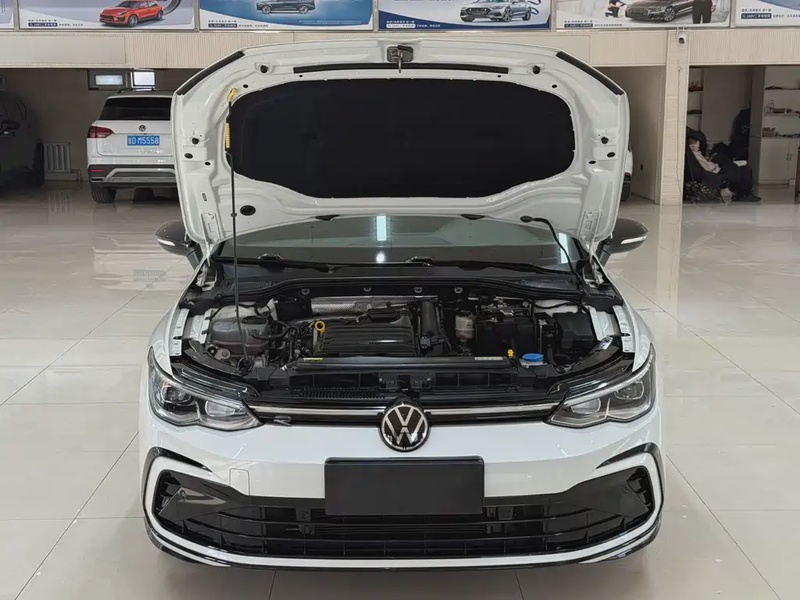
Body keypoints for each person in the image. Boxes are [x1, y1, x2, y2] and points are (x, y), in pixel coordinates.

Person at [688, 137, 760, 202]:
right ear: (690, 146)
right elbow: (709, 168)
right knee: (745, 170)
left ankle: (733, 165)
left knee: (723, 159)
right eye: (697, 145)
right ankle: (745, 194)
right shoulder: (695, 155)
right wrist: (716, 165)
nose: (699, 147)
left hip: (715, 171)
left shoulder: (694, 155)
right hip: (717, 172)